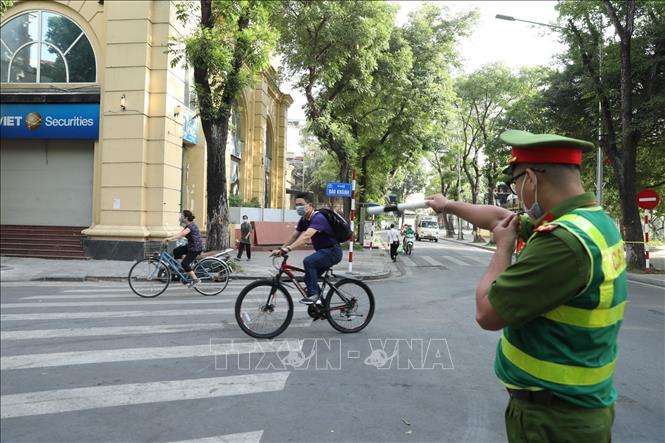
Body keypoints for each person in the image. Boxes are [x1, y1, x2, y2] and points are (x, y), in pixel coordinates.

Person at [426, 129, 626, 442]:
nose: (515, 192)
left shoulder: (562, 243)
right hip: (572, 410)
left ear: (530, 179)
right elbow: (499, 219)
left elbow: (486, 313)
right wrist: (448, 205)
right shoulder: (591, 222)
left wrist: (503, 248)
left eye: (514, 182)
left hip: (555, 421)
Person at [273, 192, 343, 304]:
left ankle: (314, 295)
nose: (298, 207)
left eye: (301, 204)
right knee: (308, 279)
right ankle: (322, 306)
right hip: (324, 252)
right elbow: (294, 236)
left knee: (308, 262)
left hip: (333, 251)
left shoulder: (318, 218)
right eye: (296, 205)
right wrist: (282, 249)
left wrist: (289, 249)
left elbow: (306, 236)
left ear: (309, 205)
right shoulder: (304, 220)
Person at [163, 209, 204, 288]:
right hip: (191, 246)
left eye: (182, 216)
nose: (181, 218)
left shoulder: (190, 226)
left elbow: (182, 234)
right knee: (176, 251)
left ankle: (195, 279)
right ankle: (183, 270)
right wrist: (173, 238)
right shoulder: (188, 225)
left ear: (186, 218)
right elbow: (180, 236)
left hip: (195, 248)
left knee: (185, 263)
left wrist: (169, 238)